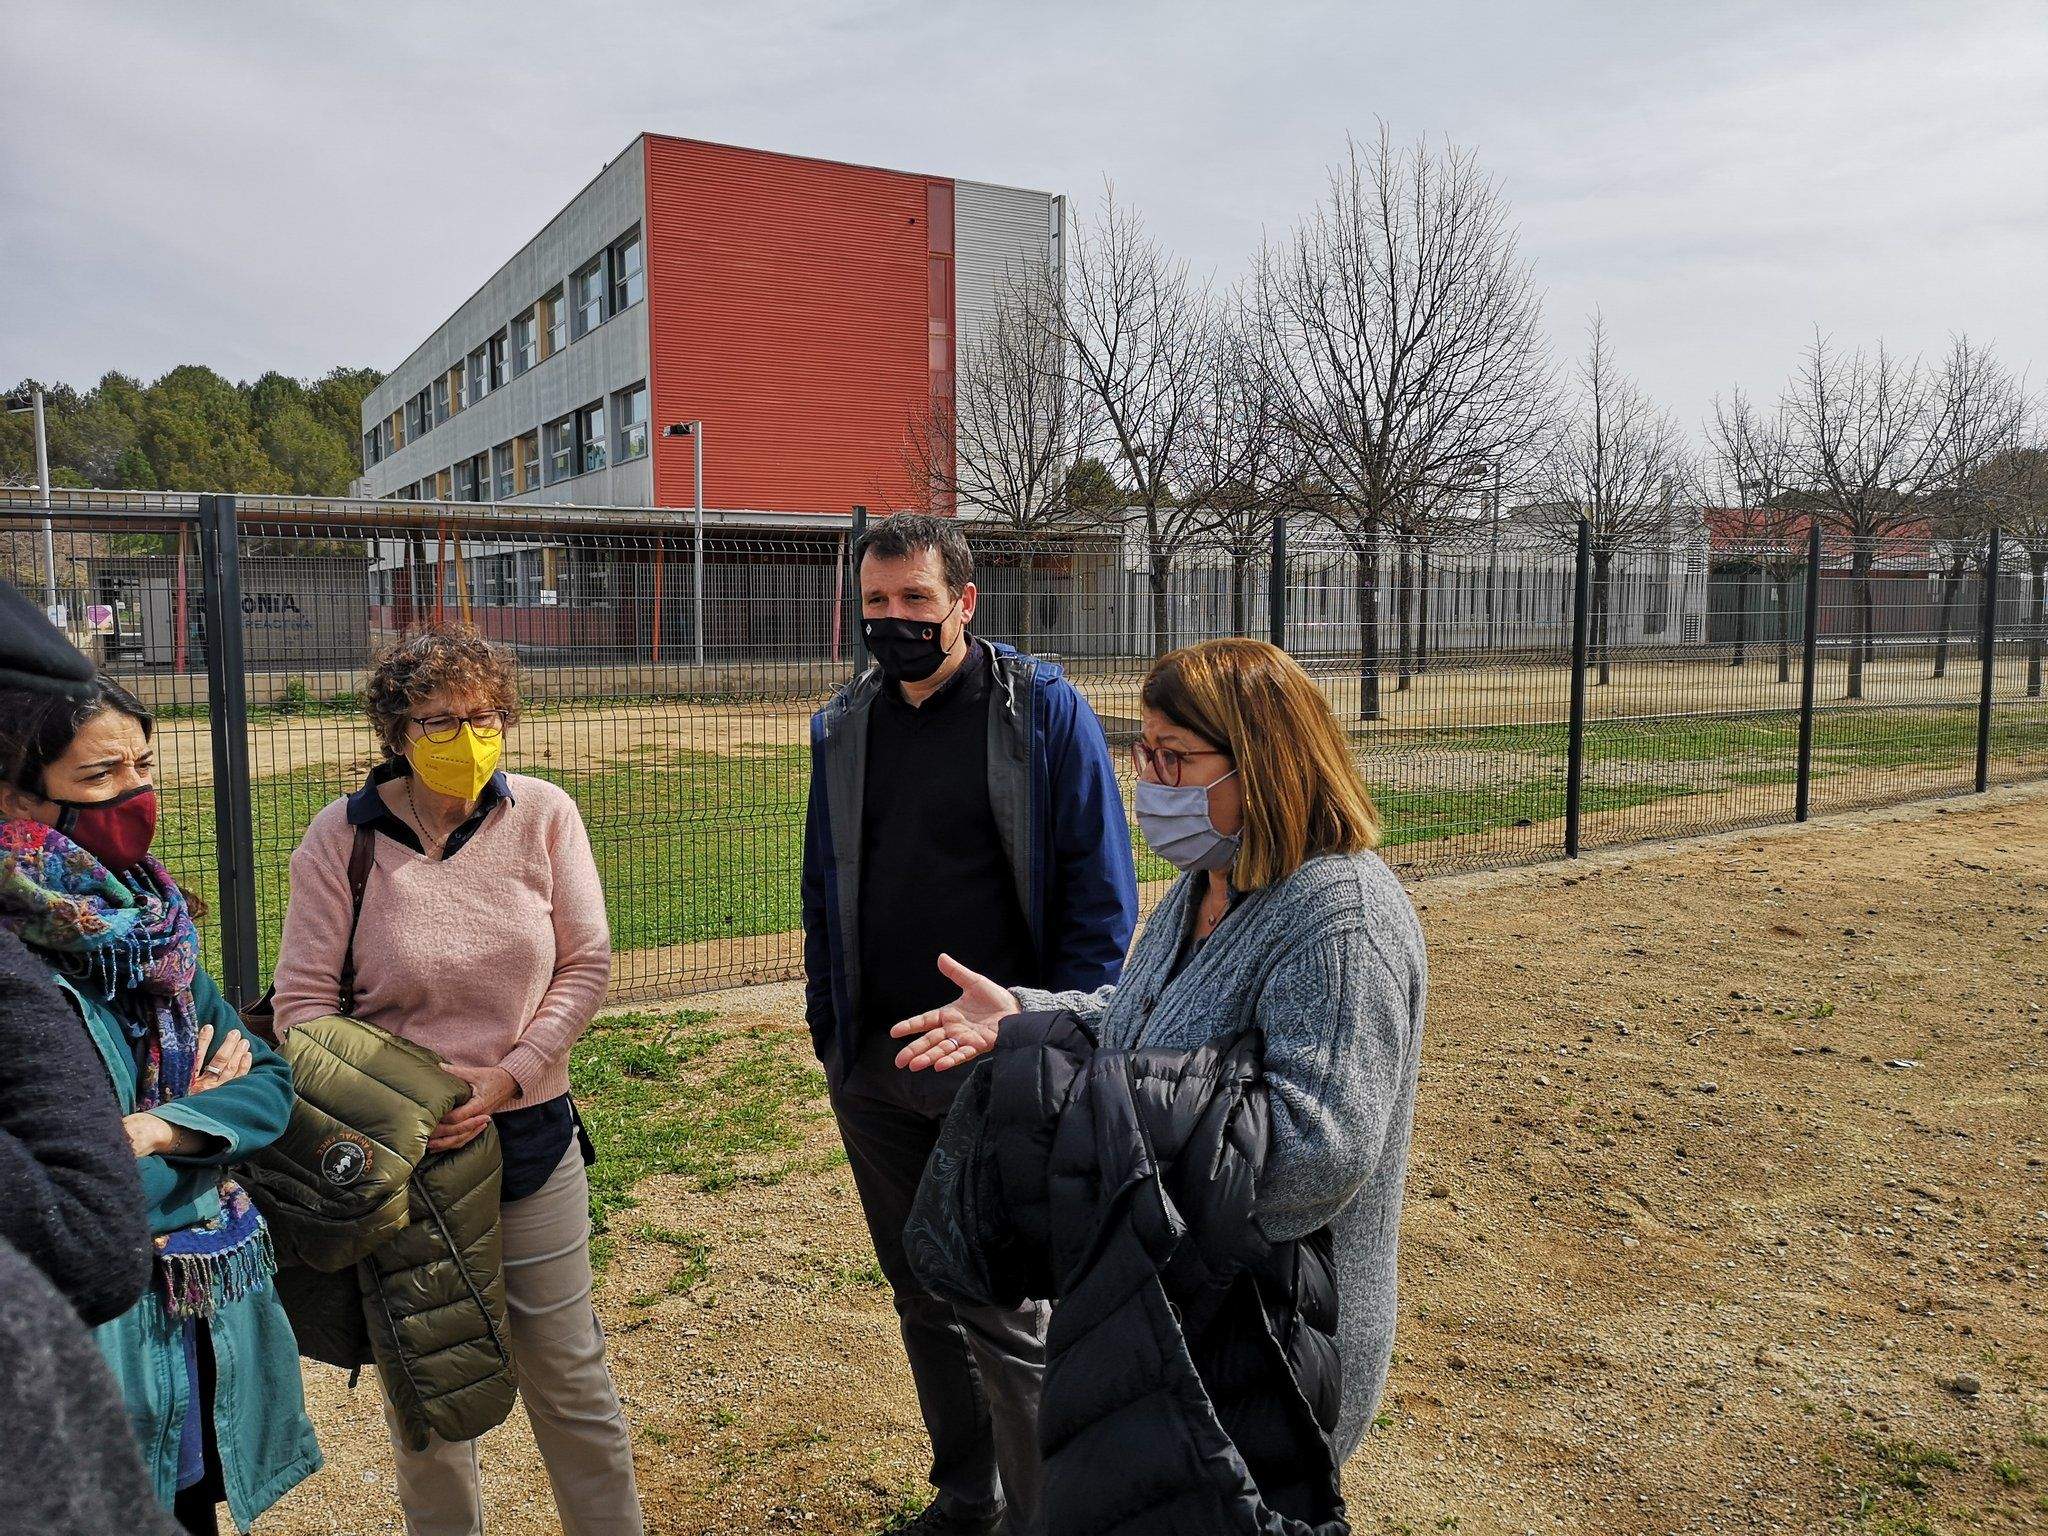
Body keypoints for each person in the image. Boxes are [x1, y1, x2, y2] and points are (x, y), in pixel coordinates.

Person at [893, 637, 1428, 1463]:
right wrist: (1024, 1017)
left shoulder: (1340, 917)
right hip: (1171, 1312)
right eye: (1145, 750)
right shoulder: (1208, 882)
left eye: (1174, 756)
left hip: (1274, 1344)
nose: (1149, 780)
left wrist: (1094, 1124)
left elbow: (1315, 1156)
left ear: (1264, 761)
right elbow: (1144, 1019)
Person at [802, 513, 1138, 1536]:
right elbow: (825, 886)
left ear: (963, 603)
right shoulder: (843, 724)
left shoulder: (1040, 711)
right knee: (918, 1292)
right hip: (875, 1067)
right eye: (875, 603)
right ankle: (965, 1494)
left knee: (1004, 1312)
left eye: (913, 599)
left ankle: (1049, 1518)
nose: (893, 620)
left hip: (995, 1060)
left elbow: (1099, 898)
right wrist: (834, 1038)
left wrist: (1052, 1044)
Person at [270, 624, 643, 1536]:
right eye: (439, 721)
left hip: (528, 1134)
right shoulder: (341, 840)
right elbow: (303, 1006)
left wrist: (511, 1077)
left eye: (486, 717)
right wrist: (402, 1103)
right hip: (406, 1160)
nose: (468, 737)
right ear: (395, 731)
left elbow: (585, 965)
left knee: (569, 1373)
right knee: (426, 1389)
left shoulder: (546, 815)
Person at [0, 580, 320, 1536]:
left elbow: (266, 1084)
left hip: (193, 1330)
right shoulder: (17, 963)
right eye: (99, 778)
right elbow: (61, 1185)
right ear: (16, 788)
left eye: (143, 766)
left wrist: (150, 1127)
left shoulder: (158, 931)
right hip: (86, 1344)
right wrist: (174, 1135)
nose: (134, 796)